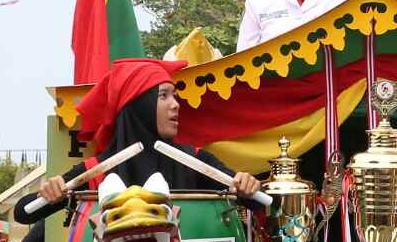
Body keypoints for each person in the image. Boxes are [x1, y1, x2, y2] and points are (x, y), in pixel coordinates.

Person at [17, 58, 262, 224]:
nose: (176, 104)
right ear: (138, 105)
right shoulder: (96, 172)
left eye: (174, 96)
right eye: (163, 96)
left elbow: (259, 203)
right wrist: (51, 191)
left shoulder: (195, 161)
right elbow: (22, 213)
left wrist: (249, 186)